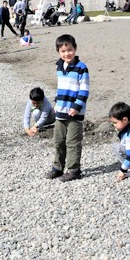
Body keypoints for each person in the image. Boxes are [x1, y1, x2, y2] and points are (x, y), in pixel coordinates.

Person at [46, 34, 90, 182]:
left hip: (74, 112)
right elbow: (61, 88)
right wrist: (57, 104)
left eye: (70, 50)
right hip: (61, 111)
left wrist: (76, 107)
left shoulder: (81, 67)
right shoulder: (59, 66)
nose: (67, 54)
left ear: (75, 49)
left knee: (72, 142)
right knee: (58, 141)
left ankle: (73, 170)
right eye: (63, 51)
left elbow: (84, 90)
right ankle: (58, 167)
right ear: (58, 52)